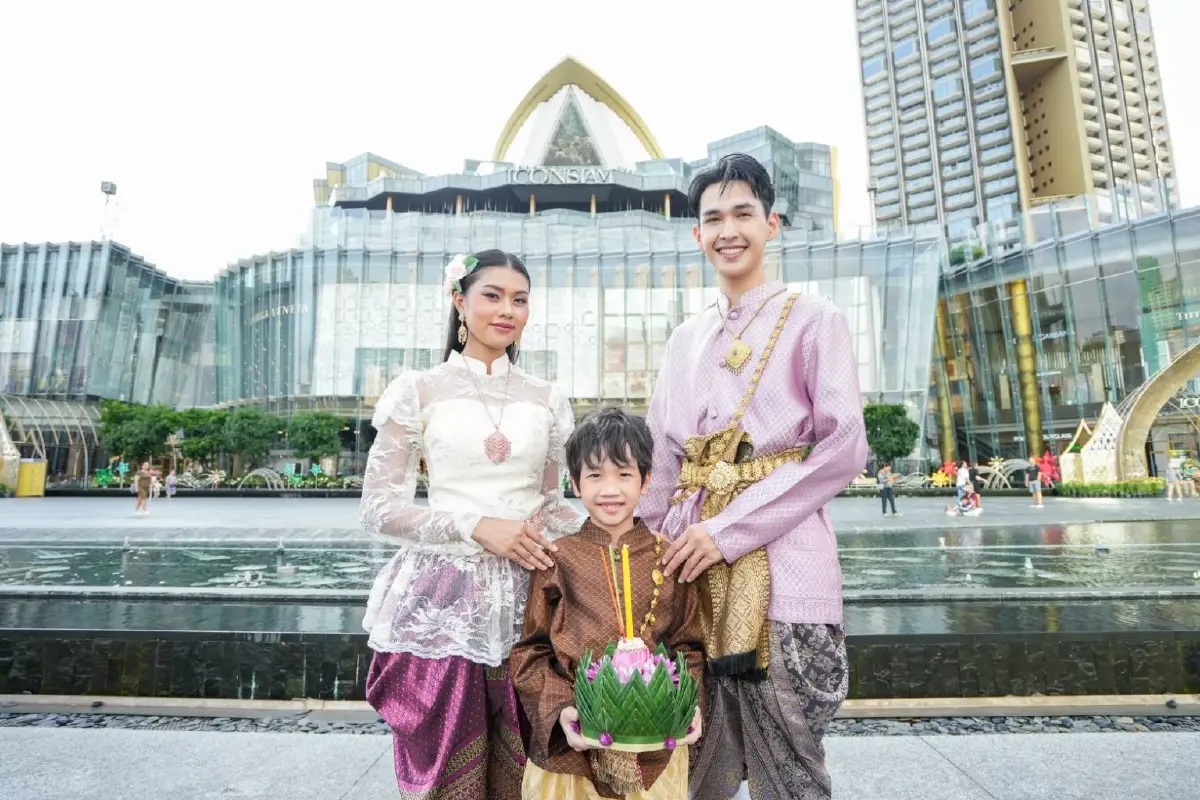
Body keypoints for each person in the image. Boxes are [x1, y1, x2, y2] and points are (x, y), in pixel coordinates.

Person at [638, 154, 868, 800]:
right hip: (688, 571)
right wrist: (638, 565)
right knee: (690, 765)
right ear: (697, 234)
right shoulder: (685, 338)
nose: (728, 230)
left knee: (789, 765)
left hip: (785, 569)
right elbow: (661, 463)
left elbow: (846, 444)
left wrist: (730, 529)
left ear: (772, 224)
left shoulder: (814, 318)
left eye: (743, 214)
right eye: (713, 218)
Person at [359, 249, 583, 799]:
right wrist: (476, 525)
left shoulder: (547, 398)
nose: (507, 310)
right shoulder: (418, 389)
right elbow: (378, 509)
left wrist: (606, 532)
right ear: (459, 300)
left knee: (528, 757)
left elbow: (553, 503)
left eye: (520, 299)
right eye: (492, 295)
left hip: (531, 595)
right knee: (446, 764)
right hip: (442, 598)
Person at [512, 408, 705, 799]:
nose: (610, 489)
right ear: (575, 483)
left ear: (646, 480)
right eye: (595, 475)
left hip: (653, 751)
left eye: (624, 474)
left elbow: (689, 648)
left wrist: (688, 705)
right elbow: (530, 652)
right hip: (572, 748)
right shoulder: (556, 560)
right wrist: (561, 710)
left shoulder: (669, 557)